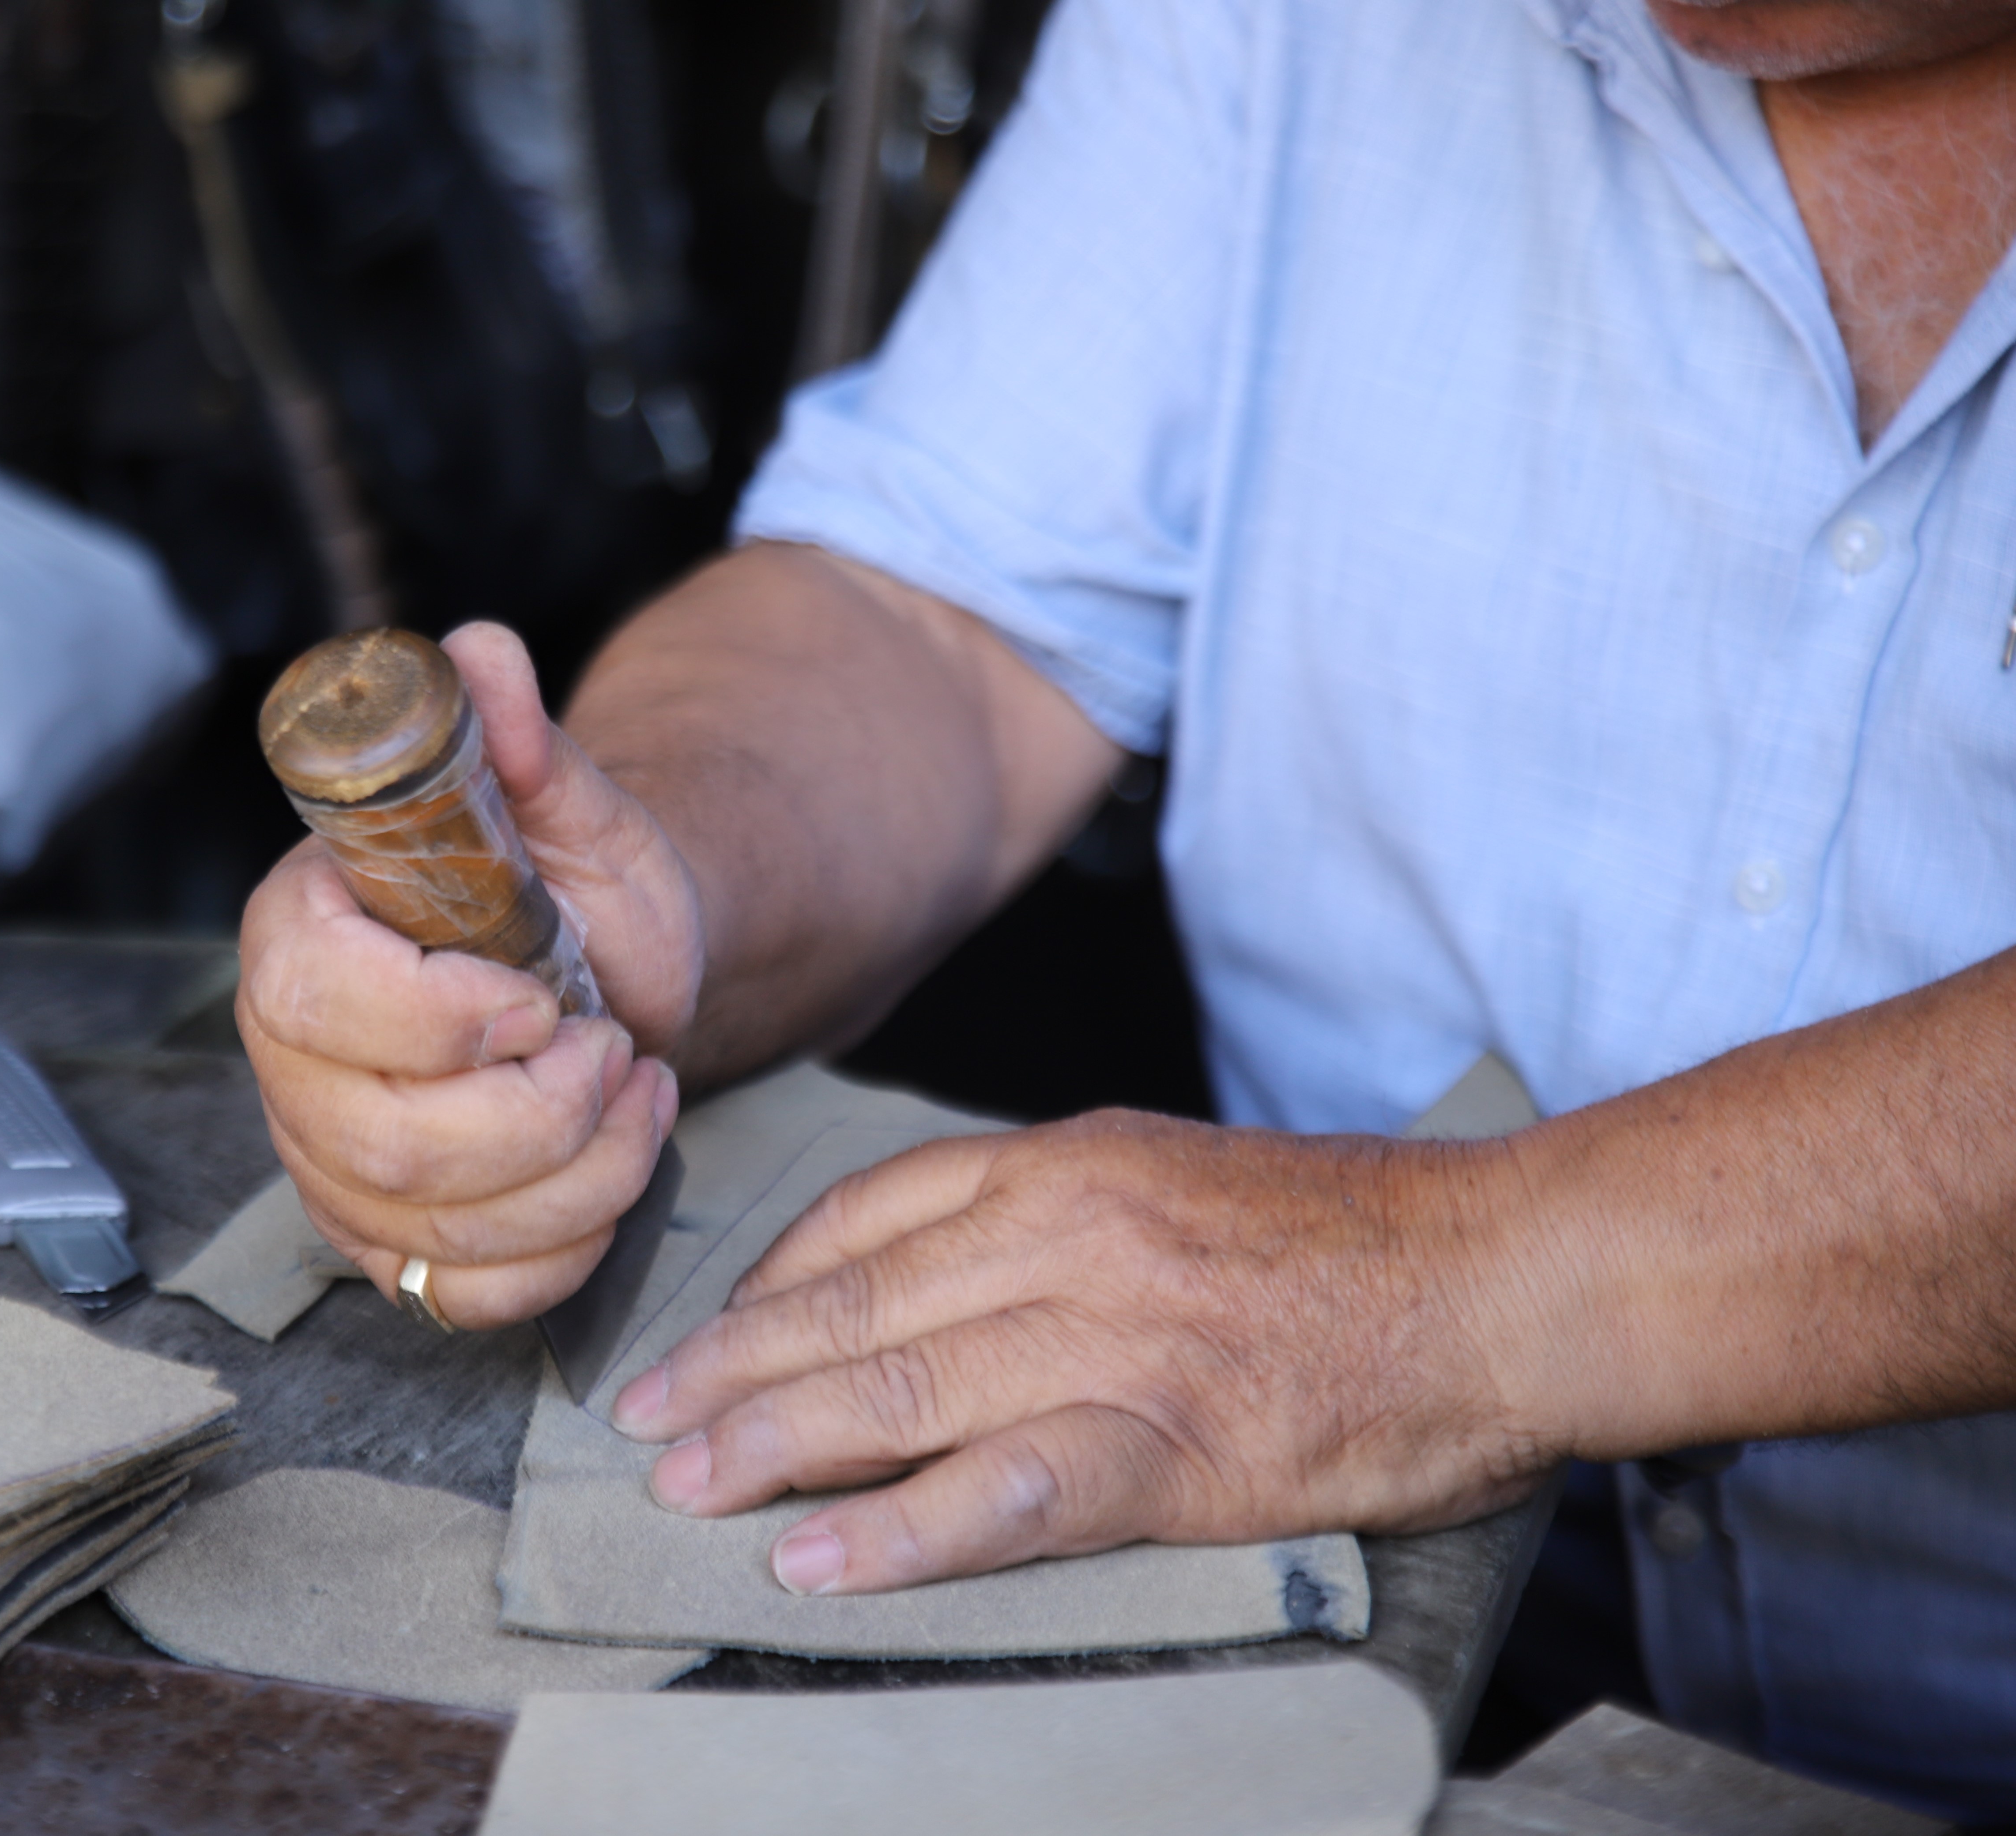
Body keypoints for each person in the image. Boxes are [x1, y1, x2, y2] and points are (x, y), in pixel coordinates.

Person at [235, 0, 2016, 1817]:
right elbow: (940, 616)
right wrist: (655, 883)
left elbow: (1439, 1301)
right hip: (1355, 1643)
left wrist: (1452, 1290)